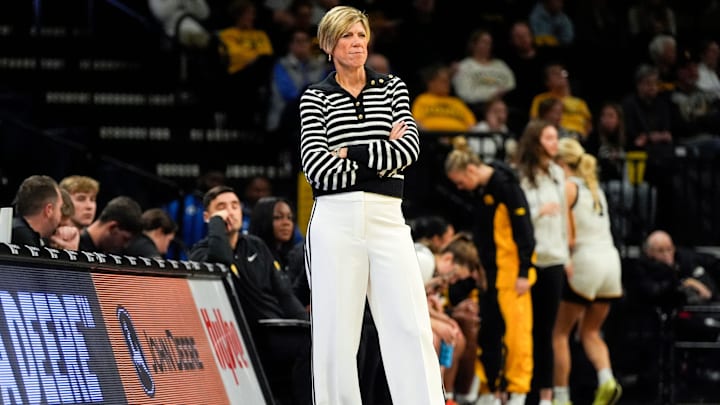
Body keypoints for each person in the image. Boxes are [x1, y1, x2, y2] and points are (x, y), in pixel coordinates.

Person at [298, 5, 445, 404]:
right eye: (347, 36)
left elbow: (410, 149)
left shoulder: (393, 87)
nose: (357, 43)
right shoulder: (315, 97)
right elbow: (317, 169)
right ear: (330, 44)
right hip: (335, 218)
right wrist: (383, 154)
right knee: (335, 335)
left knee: (410, 325)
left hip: (387, 218)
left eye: (361, 35)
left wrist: (350, 151)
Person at [188, 185, 311, 404]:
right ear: (207, 216)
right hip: (239, 337)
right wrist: (217, 225)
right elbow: (221, 261)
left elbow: (284, 294)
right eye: (221, 208)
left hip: (275, 331)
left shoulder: (255, 245)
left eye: (235, 206)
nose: (229, 212)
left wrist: (306, 325)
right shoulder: (200, 252)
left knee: (316, 344)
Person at [444, 136, 536, 405]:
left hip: (512, 274)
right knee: (491, 332)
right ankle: (494, 390)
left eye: (460, 181)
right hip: (490, 274)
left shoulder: (507, 187)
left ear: (470, 170)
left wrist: (523, 272)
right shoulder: (482, 191)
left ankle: (518, 391)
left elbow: (525, 232)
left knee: (516, 334)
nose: (460, 187)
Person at [552, 137, 624, 405]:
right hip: (611, 264)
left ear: (561, 163)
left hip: (586, 261)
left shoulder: (567, 188)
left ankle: (561, 396)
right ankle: (607, 380)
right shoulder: (595, 188)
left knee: (559, 333)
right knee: (590, 332)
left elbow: (568, 238)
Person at [516, 119, 570, 405]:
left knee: (547, 331)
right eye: (548, 138)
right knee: (524, 329)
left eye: (555, 138)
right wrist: (539, 211)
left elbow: (564, 222)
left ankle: (546, 396)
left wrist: (568, 256)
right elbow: (519, 217)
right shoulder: (522, 175)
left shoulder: (558, 174)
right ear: (536, 141)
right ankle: (520, 391)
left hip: (555, 259)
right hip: (530, 261)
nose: (554, 143)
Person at [451, 29, 516, 118]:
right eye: (484, 42)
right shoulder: (464, 66)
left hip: (503, 104)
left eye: (489, 43)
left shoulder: (500, 65)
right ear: (473, 45)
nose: (487, 46)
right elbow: (464, 94)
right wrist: (491, 96)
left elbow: (511, 85)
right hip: (478, 107)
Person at [529, 63, 592, 141]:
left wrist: (583, 138)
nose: (560, 75)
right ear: (547, 82)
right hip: (554, 137)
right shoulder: (541, 99)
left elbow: (589, 126)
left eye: (562, 72)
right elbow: (534, 122)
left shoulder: (580, 103)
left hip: (578, 139)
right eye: (554, 73)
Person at [10, 175, 64, 248]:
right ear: (49, 210)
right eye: (60, 209)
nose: (61, 215)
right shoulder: (24, 240)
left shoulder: (14, 229)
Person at [78, 196, 143, 254]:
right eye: (125, 239)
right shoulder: (75, 248)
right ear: (113, 228)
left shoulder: (102, 253)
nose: (125, 246)